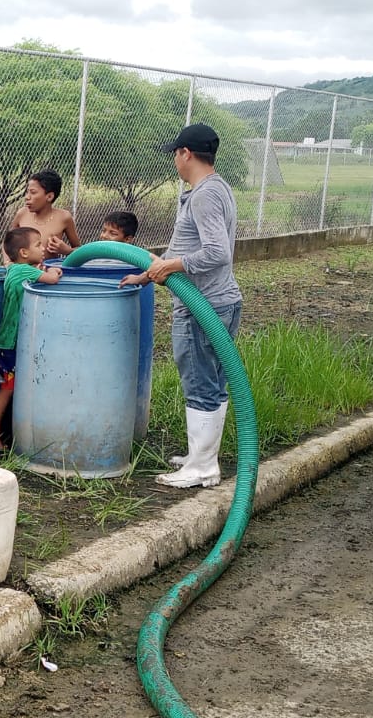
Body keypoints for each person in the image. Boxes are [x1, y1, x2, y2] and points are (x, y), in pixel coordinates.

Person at [122, 124, 242, 489]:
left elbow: (217, 253)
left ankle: (202, 467)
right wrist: (147, 274)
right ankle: (201, 458)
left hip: (201, 306)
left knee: (200, 383)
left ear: (185, 153)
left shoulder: (205, 195)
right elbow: (185, 246)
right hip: (221, 301)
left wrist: (171, 266)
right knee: (213, 382)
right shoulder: (216, 188)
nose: (174, 160)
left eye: (175, 153)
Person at [0, 227, 62, 448]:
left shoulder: (14, 269)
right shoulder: (23, 271)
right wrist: (55, 271)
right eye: (38, 245)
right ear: (24, 253)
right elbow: (52, 279)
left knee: (9, 385)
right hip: (13, 343)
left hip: (7, 341)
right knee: (9, 387)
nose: (43, 248)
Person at [11, 170, 80, 257]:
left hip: (50, 265)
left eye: (33, 192)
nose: (27, 197)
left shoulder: (64, 217)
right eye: (27, 192)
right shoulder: (22, 214)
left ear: (49, 196)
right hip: (23, 266)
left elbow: (79, 249)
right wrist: (8, 262)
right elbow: (7, 242)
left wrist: (67, 250)